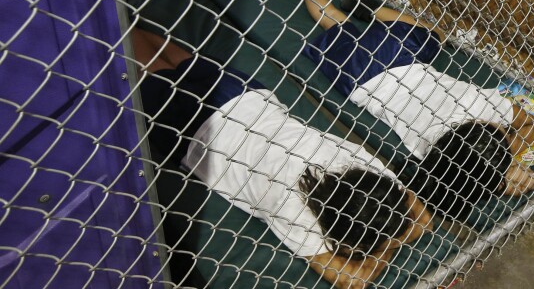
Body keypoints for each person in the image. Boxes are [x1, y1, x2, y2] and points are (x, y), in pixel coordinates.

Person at [131, 28, 432, 289]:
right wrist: (387, 245)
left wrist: (390, 237)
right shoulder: (296, 211)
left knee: (173, 57)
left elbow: (419, 218)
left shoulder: (360, 166)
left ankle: (122, 21)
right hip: (198, 132)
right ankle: (118, 22)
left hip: (245, 96)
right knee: (150, 65)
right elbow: (353, 279)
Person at [290, 0, 534, 221]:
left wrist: (501, 162)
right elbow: (528, 129)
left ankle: (360, 5)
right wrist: (497, 174)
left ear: (481, 123)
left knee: (436, 34)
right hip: (362, 82)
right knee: (334, 20)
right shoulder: (430, 152)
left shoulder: (478, 104)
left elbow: (527, 128)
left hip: (399, 56)